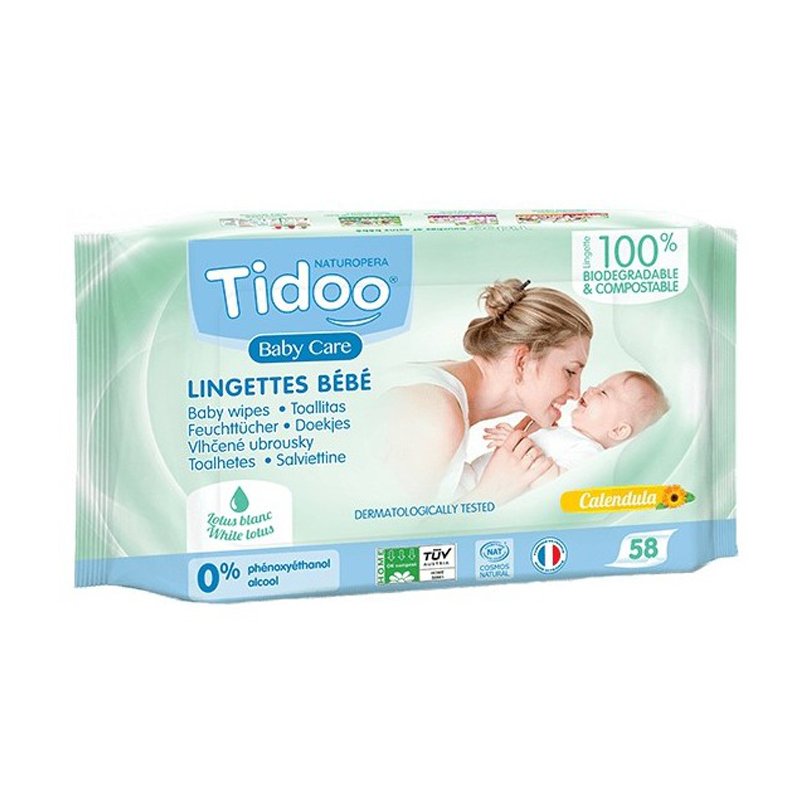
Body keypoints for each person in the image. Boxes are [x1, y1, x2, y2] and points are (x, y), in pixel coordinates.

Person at [380, 280, 593, 504]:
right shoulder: (435, 417)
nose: (576, 392)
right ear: (522, 361)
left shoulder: (443, 383)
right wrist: (492, 492)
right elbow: (383, 524)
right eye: (570, 372)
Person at [463, 370, 669, 491]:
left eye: (603, 393)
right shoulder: (570, 435)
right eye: (599, 385)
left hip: (477, 489)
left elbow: (556, 487)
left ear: (618, 430)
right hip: (471, 477)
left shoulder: (590, 452)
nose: (591, 389)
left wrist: (517, 444)